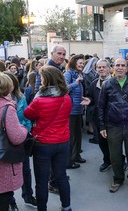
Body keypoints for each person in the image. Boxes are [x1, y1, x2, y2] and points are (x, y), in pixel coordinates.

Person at [24, 66, 72, 211]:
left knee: (42, 180)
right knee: (61, 176)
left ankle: (42, 208)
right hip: (62, 141)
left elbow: (27, 114)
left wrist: (37, 95)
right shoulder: (66, 97)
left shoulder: (40, 100)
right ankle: (67, 206)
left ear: (46, 79)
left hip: (43, 143)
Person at [98, 58, 128, 193]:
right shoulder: (107, 84)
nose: (119, 67)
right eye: (117, 65)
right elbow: (101, 107)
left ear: (127, 68)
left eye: (122, 65)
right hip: (113, 126)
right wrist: (102, 126)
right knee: (115, 156)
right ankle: (118, 179)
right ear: (113, 67)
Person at [4, 72, 36, 210]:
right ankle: (10, 200)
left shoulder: (20, 97)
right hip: (5, 142)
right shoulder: (4, 103)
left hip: (21, 138)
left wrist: (26, 131)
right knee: (6, 174)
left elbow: (26, 116)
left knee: (25, 170)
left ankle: (28, 196)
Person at [0, 73, 28, 211]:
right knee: (3, 197)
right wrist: (23, 128)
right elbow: (16, 137)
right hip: (3, 160)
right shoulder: (6, 107)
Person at [81, 59, 112, 171]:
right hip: (98, 119)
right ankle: (107, 161)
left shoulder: (115, 82)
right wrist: (89, 100)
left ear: (109, 69)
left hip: (112, 120)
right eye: (99, 67)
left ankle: (119, 161)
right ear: (96, 69)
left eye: (104, 67)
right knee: (102, 143)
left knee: (114, 144)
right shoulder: (94, 83)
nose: (101, 69)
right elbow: (91, 96)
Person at [64, 54, 86, 169]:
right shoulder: (68, 74)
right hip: (71, 110)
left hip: (78, 109)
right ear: (74, 63)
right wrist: (76, 83)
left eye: (83, 63)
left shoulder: (78, 73)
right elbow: (64, 88)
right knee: (71, 136)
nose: (82, 65)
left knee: (78, 134)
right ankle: (68, 161)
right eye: (80, 63)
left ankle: (76, 155)